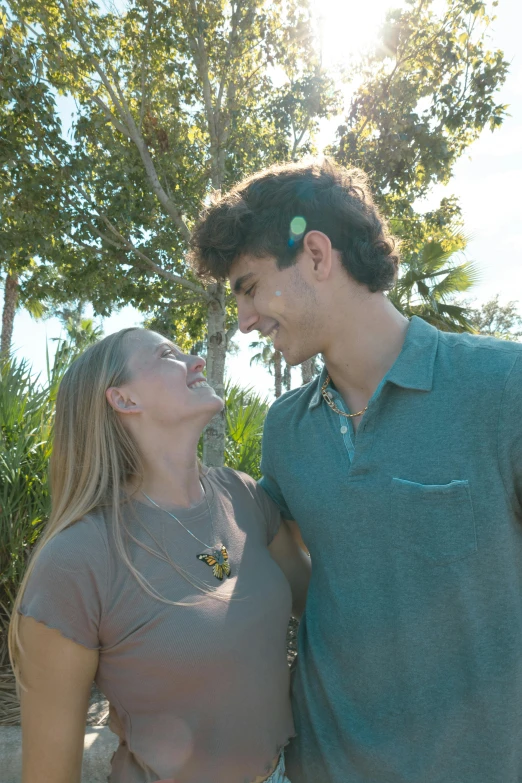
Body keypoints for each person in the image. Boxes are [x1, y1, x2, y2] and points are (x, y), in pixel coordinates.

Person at [189, 158, 522, 783]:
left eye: (250, 286)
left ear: (316, 254)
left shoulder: (503, 388)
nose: (244, 320)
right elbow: (312, 581)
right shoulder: (285, 429)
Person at [9, 327, 310, 783]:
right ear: (124, 400)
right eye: (168, 355)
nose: (196, 361)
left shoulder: (243, 495)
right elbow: (49, 774)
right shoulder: (76, 560)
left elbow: (320, 601)